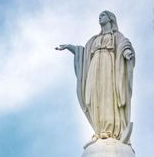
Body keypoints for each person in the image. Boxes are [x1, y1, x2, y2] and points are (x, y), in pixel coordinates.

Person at [57, 11, 135, 144]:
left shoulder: (116, 36)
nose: (100, 17)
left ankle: (110, 131)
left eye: (103, 15)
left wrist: (127, 53)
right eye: (99, 16)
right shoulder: (94, 39)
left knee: (108, 96)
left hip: (108, 65)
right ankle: (99, 131)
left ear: (110, 19)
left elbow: (124, 45)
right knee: (93, 98)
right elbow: (83, 52)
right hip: (94, 68)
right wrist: (70, 47)